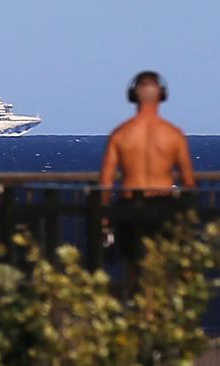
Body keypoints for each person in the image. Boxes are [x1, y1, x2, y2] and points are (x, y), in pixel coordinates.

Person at [99, 70, 196, 296]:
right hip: (164, 208)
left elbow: (106, 180)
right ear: (162, 95)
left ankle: (138, 315)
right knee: (165, 268)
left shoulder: (121, 135)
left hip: (129, 208)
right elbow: (188, 182)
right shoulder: (173, 135)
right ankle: (161, 318)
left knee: (133, 267)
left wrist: (104, 217)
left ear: (132, 95)